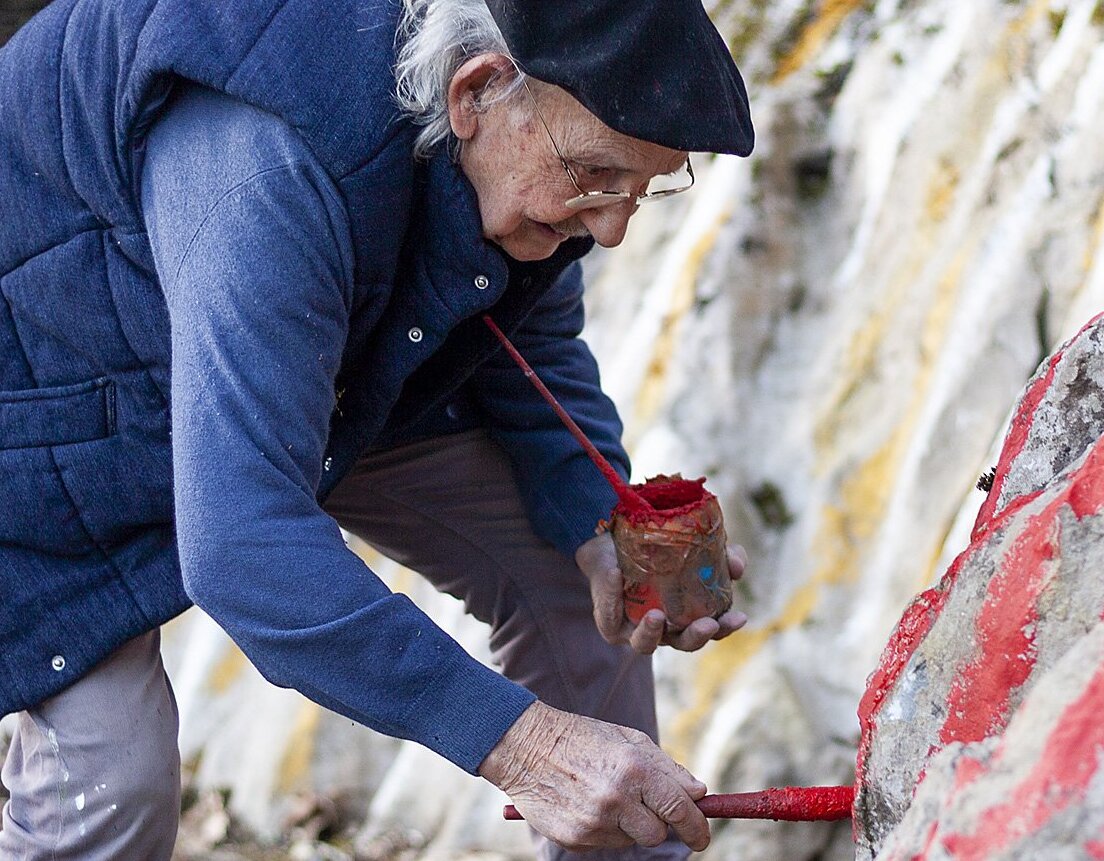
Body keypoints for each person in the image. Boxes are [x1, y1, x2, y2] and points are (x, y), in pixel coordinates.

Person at [0, 0, 755, 858]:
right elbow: (242, 551)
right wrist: (526, 746)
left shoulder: (530, 154)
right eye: (596, 178)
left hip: (317, 357)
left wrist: (596, 521)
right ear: (476, 92)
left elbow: (529, 338)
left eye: (645, 188)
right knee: (112, 786)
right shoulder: (267, 169)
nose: (614, 226)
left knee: (579, 587)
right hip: (49, 403)